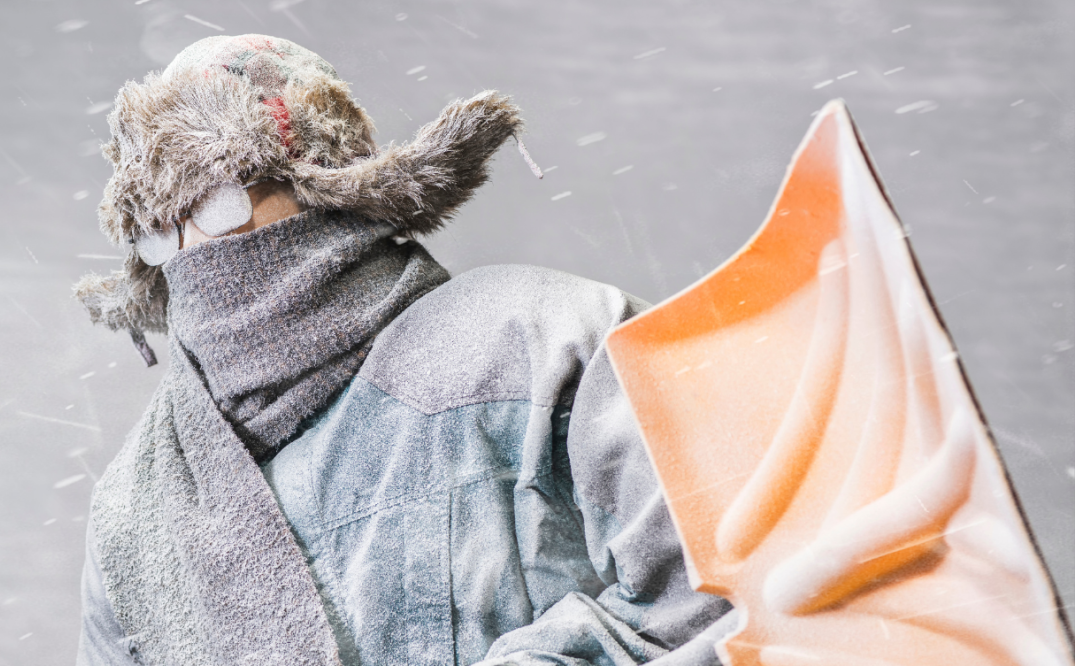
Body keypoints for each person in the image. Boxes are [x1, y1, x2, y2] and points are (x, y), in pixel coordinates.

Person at [73, 34, 735, 666]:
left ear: (324, 180)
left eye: (218, 203)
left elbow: (730, 595)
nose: (193, 254)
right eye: (159, 234)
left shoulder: (543, 341)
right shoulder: (133, 513)